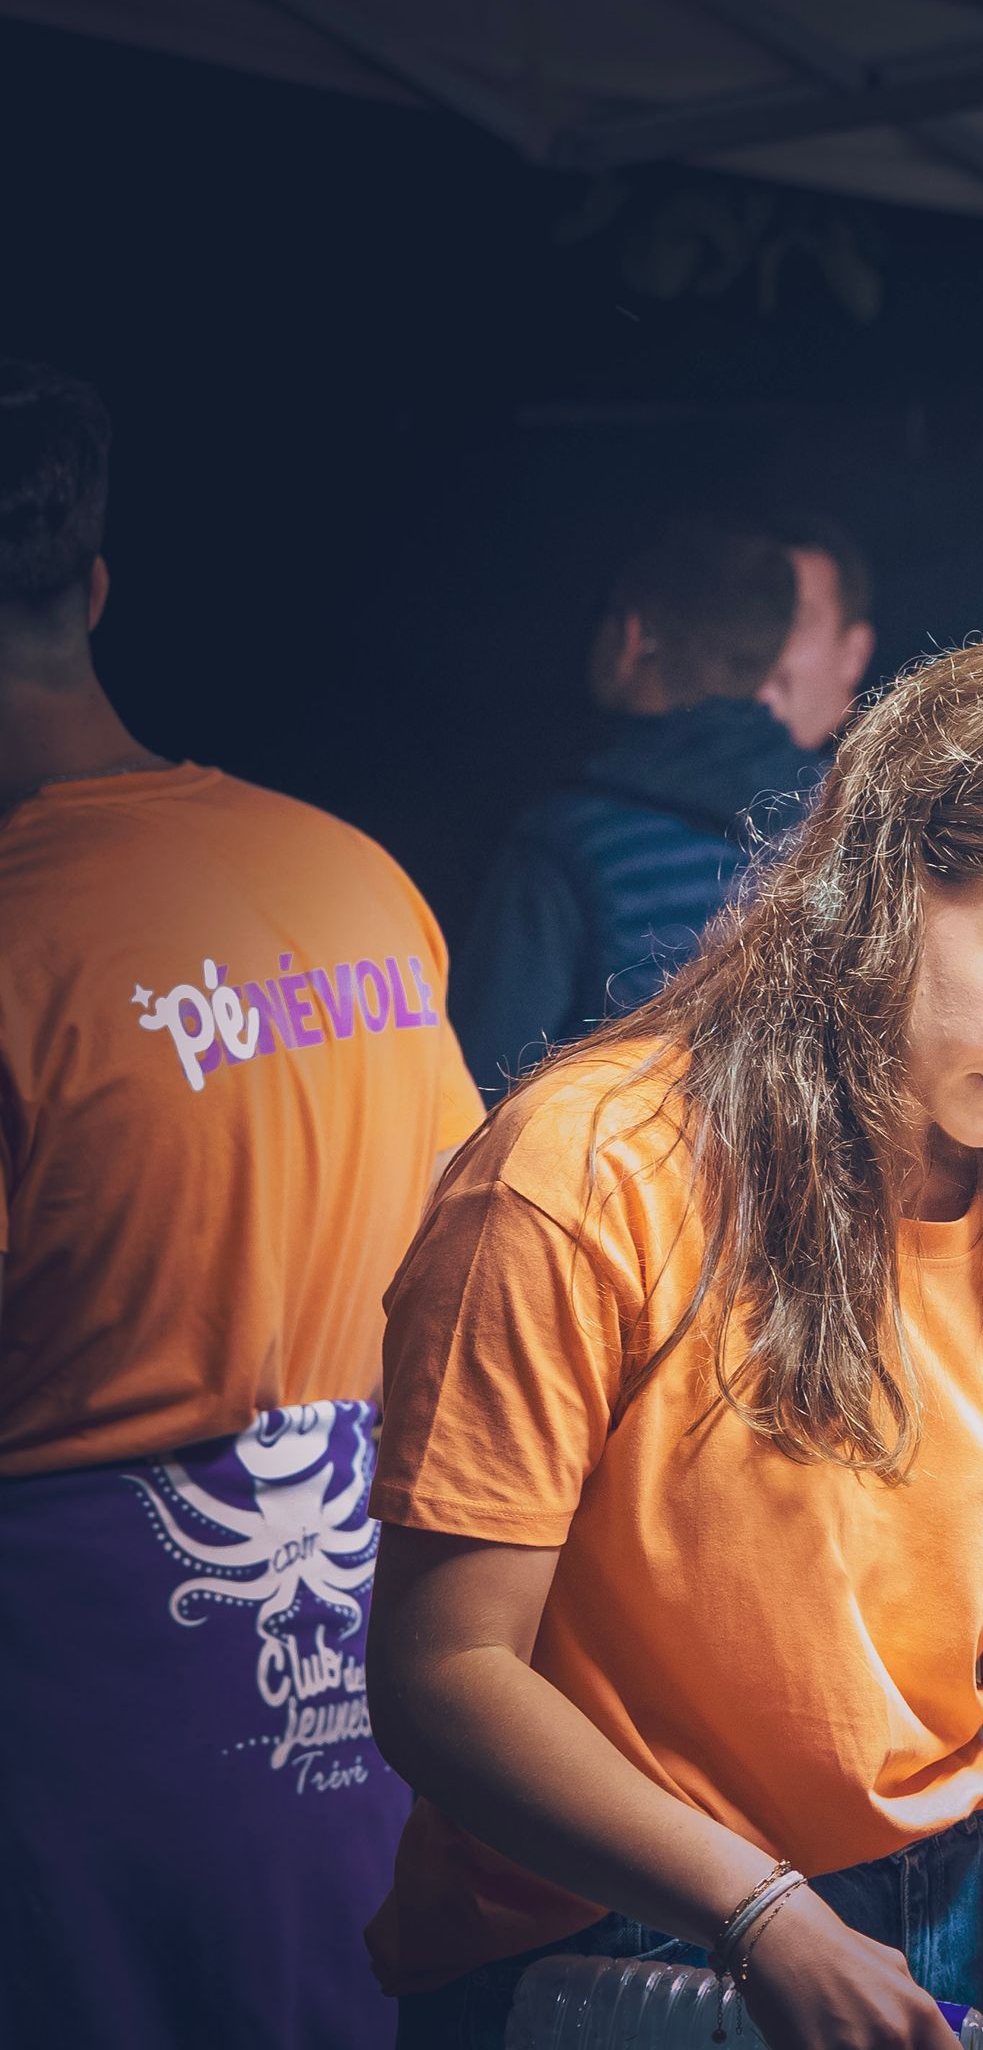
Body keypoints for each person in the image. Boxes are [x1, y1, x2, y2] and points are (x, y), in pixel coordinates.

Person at [363, 635, 983, 2050]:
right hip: (604, 1928)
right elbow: (443, 1677)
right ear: (886, 884)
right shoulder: (588, 1173)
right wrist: (756, 1909)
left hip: (953, 1913)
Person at [0, 359, 484, 2050]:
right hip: (349, 1696)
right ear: (98, 589)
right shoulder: (352, 880)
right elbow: (460, 1263)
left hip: (65, 1738)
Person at [452, 517, 818, 1098]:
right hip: (792, 1182)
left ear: (631, 637)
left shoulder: (566, 844)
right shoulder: (842, 821)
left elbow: (478, 1088)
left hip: (612, 1180)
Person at [756, 507, 878, 754]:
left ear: (855, 653)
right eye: (751, 621)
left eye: (792, 623)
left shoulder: (903, 783)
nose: (762, 643)